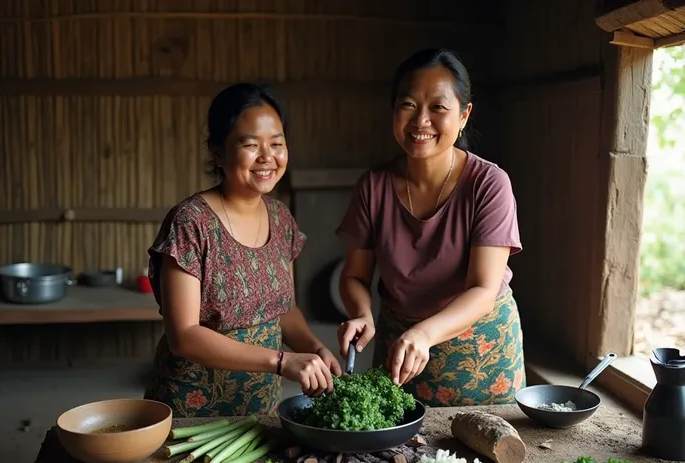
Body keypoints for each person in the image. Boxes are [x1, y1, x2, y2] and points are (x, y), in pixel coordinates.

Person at [335, 48, 525, 407]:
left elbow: (484, 288)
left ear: (464, 115)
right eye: (408, 105)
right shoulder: (373, 186)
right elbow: (354, 277)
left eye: (438, 107)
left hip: (480, 355)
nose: (420, 121)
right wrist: (362, 313)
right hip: (400, 352)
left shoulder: (489, 184)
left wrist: (424, 332)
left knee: (484, 458)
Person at [145, 83, 341, 418]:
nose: (267, 157)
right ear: (218, 153)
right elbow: (184, 335)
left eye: (276, 144)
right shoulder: (191, 222)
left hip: (260, 405)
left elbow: (284, 307)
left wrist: (315, 347)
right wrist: (281, 360)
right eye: (251, 145)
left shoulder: (280, 219)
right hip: (193, 409)